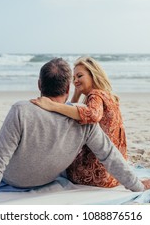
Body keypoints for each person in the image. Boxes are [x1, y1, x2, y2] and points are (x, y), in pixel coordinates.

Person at [0, 58, 150, 205]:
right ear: (68, 89)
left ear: (39, 85)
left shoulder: (21, 109)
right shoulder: (82, 119)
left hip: (13, 178)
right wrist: (139, 186)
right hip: (47, 178)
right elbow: (109, 155)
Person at [30, 56, 126, 188]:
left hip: (95, 175)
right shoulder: (106, 95)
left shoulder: (95, 95)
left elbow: (92, 115)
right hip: (114, 174)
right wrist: (77, 93)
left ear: (93, 75)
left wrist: (52, 106)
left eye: (79, 76)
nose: (75, 81)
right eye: (73, 78)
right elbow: (74, 109)